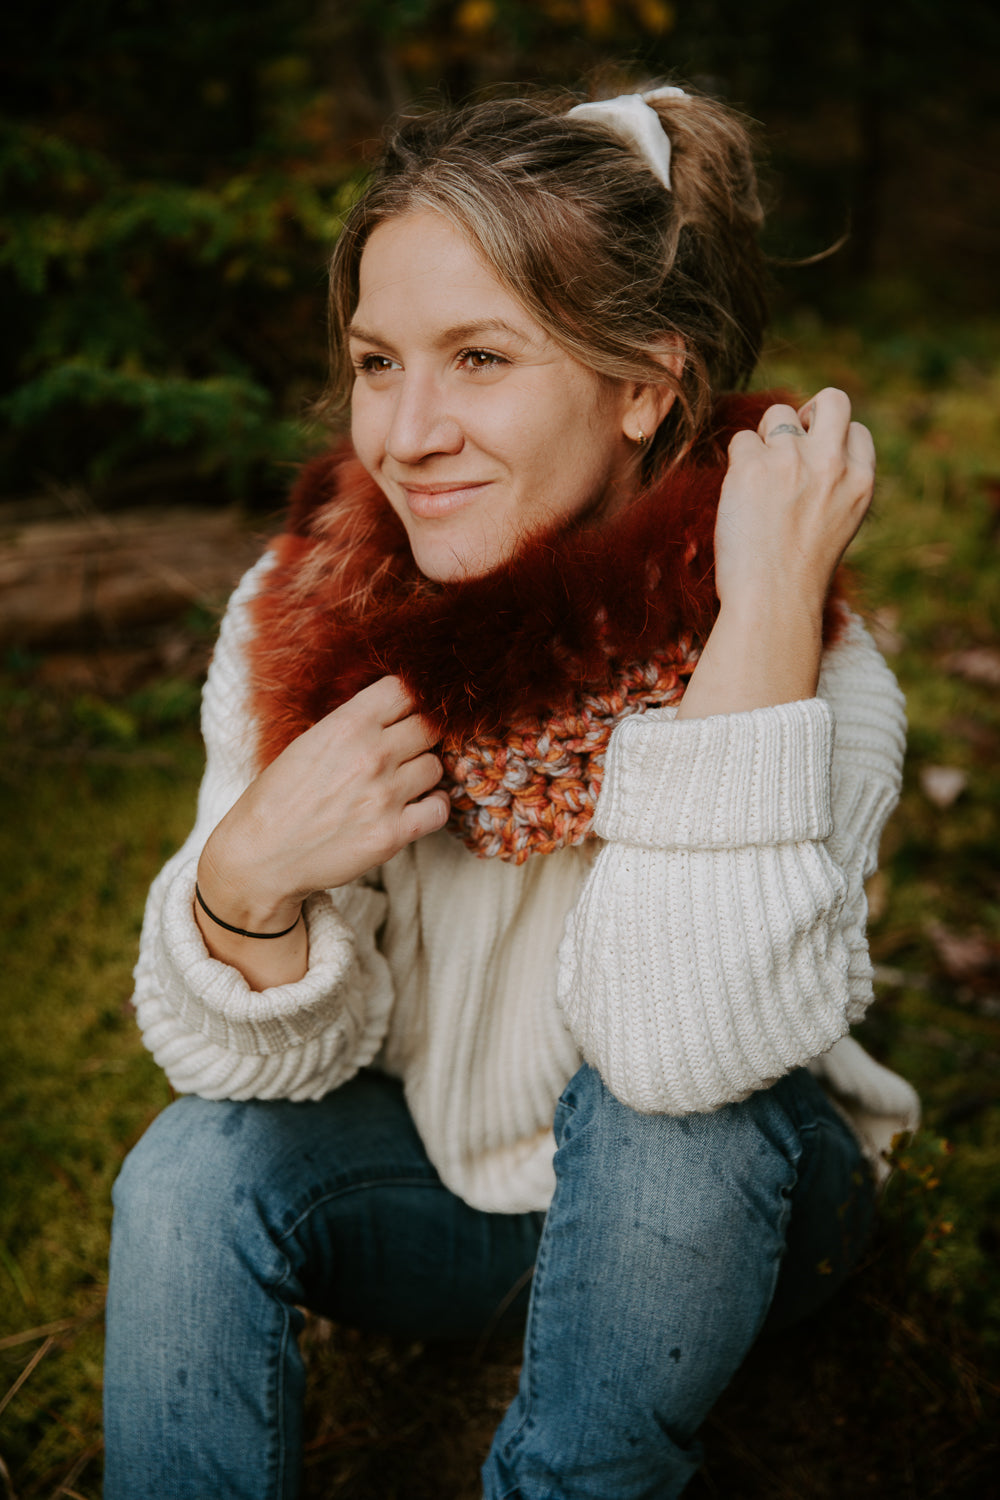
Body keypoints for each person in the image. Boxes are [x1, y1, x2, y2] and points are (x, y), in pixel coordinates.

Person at [103, 84, 920, 1499]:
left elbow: (682, 1056)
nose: (407, 432)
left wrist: (758, 630)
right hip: (438, 1193)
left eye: (480, 358)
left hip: (746, 1217)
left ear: (642, 384)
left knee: (671, 1123)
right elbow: (241, 1064)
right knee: (190, 1169)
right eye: (376, 362)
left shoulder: (810, 670)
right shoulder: (309, 626)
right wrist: (251, 881)